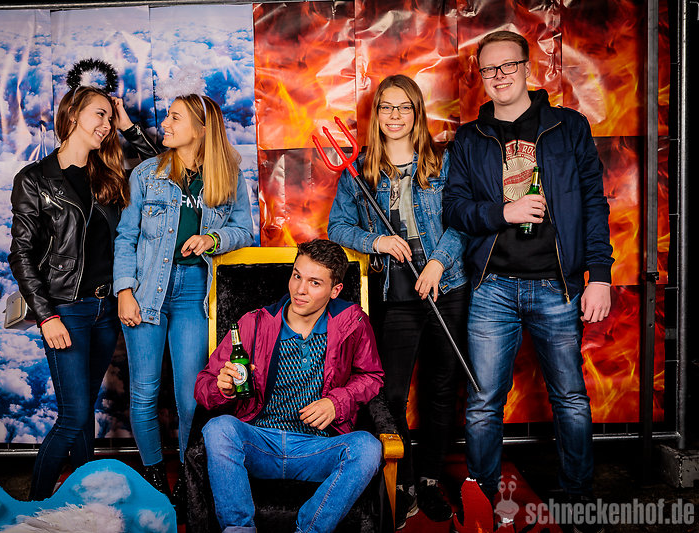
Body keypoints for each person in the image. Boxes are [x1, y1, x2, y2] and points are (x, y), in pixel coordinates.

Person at [442, 30, 613, 533]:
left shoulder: (568, 127)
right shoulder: (470, 138)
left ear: (526, 67)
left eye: (508, 66)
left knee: (571, 400)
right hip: (493, 286)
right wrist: (505, 212)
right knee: (482, 404)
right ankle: (481, 500)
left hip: (557, 286)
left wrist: (600, 276)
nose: (499, 77)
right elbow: (455, 209)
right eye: (489, 69)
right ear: (481, 76)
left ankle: (578, 500)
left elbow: (594, 202)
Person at [328, 74, 469, 527]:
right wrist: (378, 241)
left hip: (446, 287)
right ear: (376, 114)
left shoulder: (442, 162)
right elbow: (338, 227)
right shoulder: (360, 170)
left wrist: (439, 263)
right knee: (390, 393)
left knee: (441, 388)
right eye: (386, 106)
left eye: (404, 107)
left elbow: (462, 221)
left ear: (417, 113)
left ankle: (429, 478)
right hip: (396, 294)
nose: (394, 115)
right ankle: (403, 478)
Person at [9, 85, 156, 500]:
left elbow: (162, 168)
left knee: (84, 410)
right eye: (99, 114)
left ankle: (81, 500)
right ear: (72, 116)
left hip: (106, 310)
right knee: (73, 417)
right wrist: (47, 316)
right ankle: (36, 506)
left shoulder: (108, 174)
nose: (106, 124)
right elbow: (21, 254)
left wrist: (128, 126)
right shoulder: (34, 179)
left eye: (110, 117)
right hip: (66, 311)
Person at [113, 94, 254, 496]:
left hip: (195, 291)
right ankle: (156, 477)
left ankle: (188, 480)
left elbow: (245, 231)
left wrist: (213, 238)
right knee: (144, 393)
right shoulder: (146, 173)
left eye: (175, 118)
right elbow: (126, 237)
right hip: (146, 291)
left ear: (201, 129)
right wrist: (124, 290)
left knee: (191, 397)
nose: (166, 124)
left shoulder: (226, 177)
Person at [194, 239, 384, 533]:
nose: (300, 289)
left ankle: (309, 530)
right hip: (260, 441)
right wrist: (223, 388)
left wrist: (336, 403)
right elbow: (204, 384)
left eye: (314, 283)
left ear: (335, 290)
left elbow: (371, 376)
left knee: (368, 447)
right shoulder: (254, 323)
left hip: (317, 446)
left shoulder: (353, 322)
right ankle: (239, 530)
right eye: (297, 276)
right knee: (218, 429)